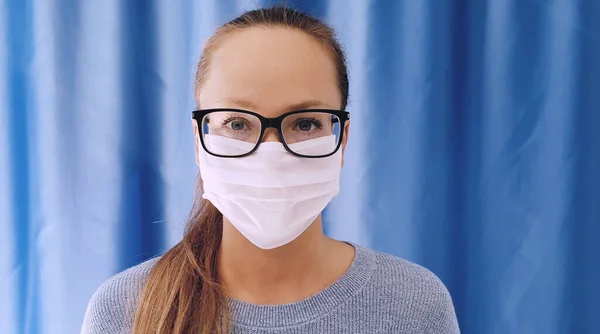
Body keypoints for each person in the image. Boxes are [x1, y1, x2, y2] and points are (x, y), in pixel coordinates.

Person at [82, 6, 460, 334]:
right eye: (237, 123)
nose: (272, 155)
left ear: (342, 140)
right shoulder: (124, 310)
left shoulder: (415, 305)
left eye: (306, 123)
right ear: (199, 141)